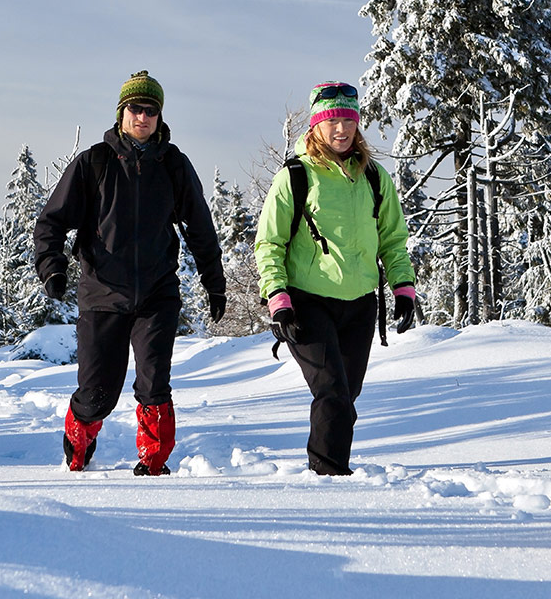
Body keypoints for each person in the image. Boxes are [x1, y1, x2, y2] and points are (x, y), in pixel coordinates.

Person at [35, 70, 226, 475]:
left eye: (151, 111)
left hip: (157, 295)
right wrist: (52, 268)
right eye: (136, 109)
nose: (143, 117)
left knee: (154, 385)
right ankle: (79, 439)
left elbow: (201, 229)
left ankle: (154, 465)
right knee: (96, 394)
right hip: (102, 296)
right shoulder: (94, 163)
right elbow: (51, 222)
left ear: (160, 117)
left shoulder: (173, 166)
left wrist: (215, 283)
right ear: (122, 112)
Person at [255, 81, 416, 476]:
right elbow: (269, 242)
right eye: (332, 121)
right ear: (316, 127)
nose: (341, 129)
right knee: (331, 392)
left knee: (346, 394)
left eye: (348, 119)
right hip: (307, 302)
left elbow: (393, 240)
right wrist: (277, 297)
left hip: (360, 303)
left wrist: (403, 288)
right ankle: (329, 475)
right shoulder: (295, 176)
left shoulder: (375, 178)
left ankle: (329, 470)